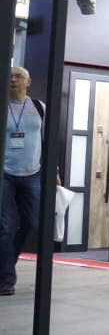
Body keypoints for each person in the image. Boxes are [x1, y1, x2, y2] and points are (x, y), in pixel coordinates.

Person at [1, 67, 45, 296]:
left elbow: (47, 140)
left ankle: (5, 263)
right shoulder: (2, 107)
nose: (13, 79)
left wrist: (54, 170)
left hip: (33, 173)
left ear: (28, 82)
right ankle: (6, 279)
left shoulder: (39, 108)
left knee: (32, 224)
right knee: (6, 227)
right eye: (10, 76)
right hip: (5, 174)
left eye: (18, 76)